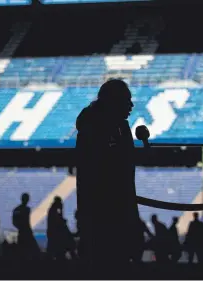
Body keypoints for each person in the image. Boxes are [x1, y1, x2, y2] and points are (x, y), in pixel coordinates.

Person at [75, 79, 139, 271]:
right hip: (104, 216)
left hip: (116, 212)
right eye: (127, 100)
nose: (131, 105)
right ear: (113, 102)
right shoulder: (95, 130)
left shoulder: (118, 127)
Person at [12, 193, 40, 258]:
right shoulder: (26, 209)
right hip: (26, 231)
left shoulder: (18, 209)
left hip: (23, 231)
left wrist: (20, 227)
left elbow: (14, 221)